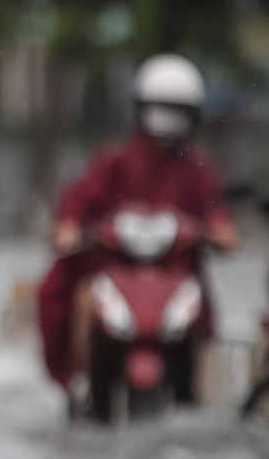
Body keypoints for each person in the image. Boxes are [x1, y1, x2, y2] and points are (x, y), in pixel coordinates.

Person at [37, 54, 237, 401]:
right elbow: (77, 203)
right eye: (161, 107)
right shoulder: (115, 160)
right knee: (70, 295)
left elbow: (218, 216)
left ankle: (192, 390)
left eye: (177, 108)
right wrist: (69, 228)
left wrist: (222, 233)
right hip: (115, 270)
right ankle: (78, 379)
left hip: (174, 274)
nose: (167, 118)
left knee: (199, 316)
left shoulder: (198, 169)